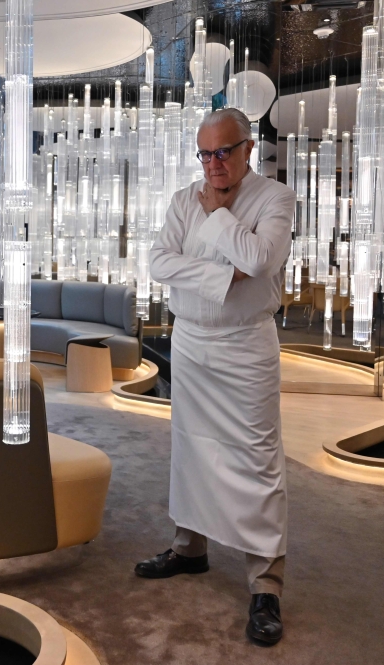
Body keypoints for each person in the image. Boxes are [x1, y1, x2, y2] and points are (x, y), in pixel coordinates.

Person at [135, 107, 296, 646]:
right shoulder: (184, 199)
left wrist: (220, 218)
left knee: (256, 457)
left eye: (223, 152)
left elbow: (260, 259)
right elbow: (159, 262)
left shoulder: (274, 198)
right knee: (192, 447)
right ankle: (190, 549)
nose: (212, 164)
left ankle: (265, 585)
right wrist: (223, 276)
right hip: (192, 343)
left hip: (246, 345)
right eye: (204, 154)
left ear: (248, 149)